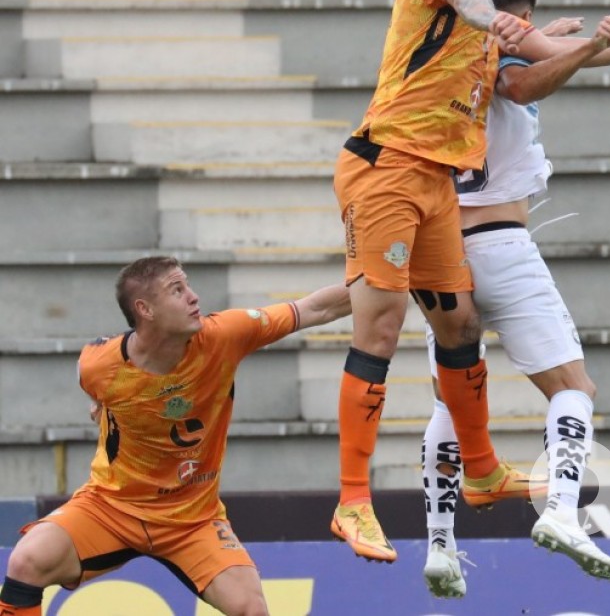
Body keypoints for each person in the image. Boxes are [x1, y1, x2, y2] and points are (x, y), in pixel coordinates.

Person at [329, 0, 610, 564]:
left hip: (438, 186)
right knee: (380, 333)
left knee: (458, 329)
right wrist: (492, 15)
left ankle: (479, 472)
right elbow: (476, 6)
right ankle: (353, 500)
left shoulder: (482, 40)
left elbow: (537, 53)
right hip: (389, 169)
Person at [420, 0, 610, 597]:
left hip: (444, 254)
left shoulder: (438, 55)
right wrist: (590, 45)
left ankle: (440, 544)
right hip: (500, 245)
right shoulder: (493, 52)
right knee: (574, 387)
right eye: (527, 23)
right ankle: (559, 507)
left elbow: (538, 58)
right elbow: (525, 80)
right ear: (511, 19)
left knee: (453, 399)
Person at [0, 255, 351, 616]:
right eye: (177, 289)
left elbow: (314, 310)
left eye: (189, 285)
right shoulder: (102, 365)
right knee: (26, 562)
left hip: (193, 518)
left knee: (251, 609)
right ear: (145, 310)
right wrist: (99, 403)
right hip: (111, 507)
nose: (194, 297)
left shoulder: (223, 336)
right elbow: (86, 376)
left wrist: (391, 280)